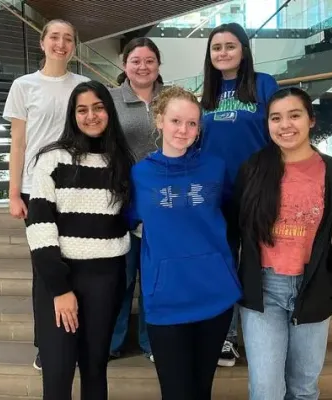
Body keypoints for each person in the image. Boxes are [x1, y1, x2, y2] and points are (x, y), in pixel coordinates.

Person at [234, 87, 332, 400]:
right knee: (266, 391)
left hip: (313, 288)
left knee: (304, 389)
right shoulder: (252, 170)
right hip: (263, 291)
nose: (285, 125)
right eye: (276, 118)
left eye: (294, 115)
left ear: (311, 120)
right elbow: (233, 227)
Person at [129, 86, 241, 400]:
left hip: (214, 294)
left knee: (201, 389)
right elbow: (129, 221)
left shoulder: (215, 168)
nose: (184, 129)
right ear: (159, 120)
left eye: (192, 123)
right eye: (177, 121)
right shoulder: (140, 175)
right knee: (176, 392)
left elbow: (232, 213)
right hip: (166, 299)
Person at [25, 80, 135, 399]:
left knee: (95, 370)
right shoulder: (52, 159)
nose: (91, 116)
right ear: (72, 115)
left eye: (98, 107)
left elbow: (130, 219)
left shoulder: (122, 163)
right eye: (82, 109)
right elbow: (40, 227)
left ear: (109, 112)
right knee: (57, 376)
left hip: (106, 277)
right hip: (59, 279)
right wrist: (60, 289)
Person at [3, 19, 89, 371]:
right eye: (55, 37)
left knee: (78, 262)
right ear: (42, 43)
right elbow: (18, 143)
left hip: (76, 184)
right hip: (35, 187)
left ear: (74, 47)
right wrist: (12, 194)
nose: (61, 43)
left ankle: (77, 334)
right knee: (45, 266)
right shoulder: (24, 86)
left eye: (68, 38)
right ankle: (46, 342)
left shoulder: (84, 85)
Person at [200, 22, 279, 367]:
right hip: (218, 194)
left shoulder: (264, 85)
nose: (223, 53)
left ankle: (268, 335)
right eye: (216, 47)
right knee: (224, 264)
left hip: (258, 190)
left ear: (243, 50)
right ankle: (227, 339)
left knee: (261, 264)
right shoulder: (205, 93)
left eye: (230, 46)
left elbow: (279, 133)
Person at [109, 37, 163, 362]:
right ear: (124, 64)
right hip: (123, 199)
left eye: (149, 61)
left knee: (155, 276)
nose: (142, 67)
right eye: (136, 61)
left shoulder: (173, 99)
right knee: (122, 275)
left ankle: (152, 342)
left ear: (158, 65)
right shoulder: (110, 99)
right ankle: (112, 342)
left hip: (164, 201)